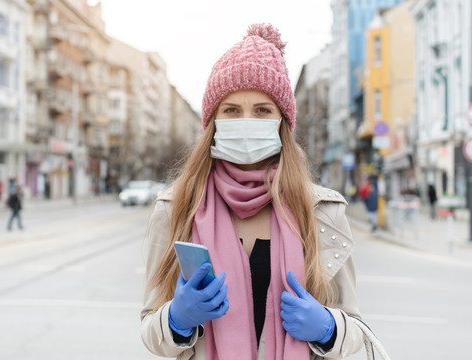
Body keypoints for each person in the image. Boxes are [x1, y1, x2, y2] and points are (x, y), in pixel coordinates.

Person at [140, 24, 365, 359]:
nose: (246, 121)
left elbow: (355, 329)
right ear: (213, 121)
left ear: (282, 122)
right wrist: (176, 320)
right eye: (231, 110)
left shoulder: (321, 211)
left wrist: (329, 329)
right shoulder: (176, 207)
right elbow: (150, 328)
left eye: (262, 110)